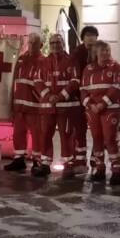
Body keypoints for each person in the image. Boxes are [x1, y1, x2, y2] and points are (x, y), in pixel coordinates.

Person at [81, 40, 120, 185]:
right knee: (96, 138)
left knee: (110, 139)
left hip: (110, 109)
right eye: (103, 50)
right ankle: (100, 169)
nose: (106, 53)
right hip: (93, 110)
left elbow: (116, 87)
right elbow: (83, 90)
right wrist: (91, 104)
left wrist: (102, 103)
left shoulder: (116, 66)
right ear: (96, 52)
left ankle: (116, 171)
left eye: (108, 50)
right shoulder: (88, 69)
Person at [39, 33, 80, 178]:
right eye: (52, 43)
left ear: (63, 43)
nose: (55, 45)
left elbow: (75, 81)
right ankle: (45, 163)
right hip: (48, 106)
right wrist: (49, 96)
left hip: (65, 106)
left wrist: (61, 96)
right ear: (49, 45)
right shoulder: (43, 61)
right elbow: (37, 81)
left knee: (66, 134)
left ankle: (68, 164)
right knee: (45, 134)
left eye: (58, 42)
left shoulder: (70, 60)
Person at [6, 32, 47, 173]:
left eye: (34, 43)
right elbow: (14, 81)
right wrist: (12, 102)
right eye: (29, 42)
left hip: (34, 106)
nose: (31, 45)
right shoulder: (22, 59)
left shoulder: (43, 62)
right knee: (18, 133)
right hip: (19, 106)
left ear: (41, 45)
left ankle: (37, 160)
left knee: (37, 134)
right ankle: (19, 158)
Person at [69, 25, 99, 171]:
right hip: (79, 97)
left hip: (97, 99)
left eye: (93, 35)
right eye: (88, 35)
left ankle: (96, 159)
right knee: (79, 129)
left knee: (97, 130)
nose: (91, 37)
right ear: (83, 37)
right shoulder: (77, 53)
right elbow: (75, 76)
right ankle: (80, 161)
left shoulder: (101, 51)